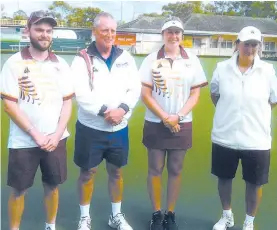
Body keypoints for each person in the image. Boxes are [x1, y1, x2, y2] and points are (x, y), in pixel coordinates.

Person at [0, 11, 74, 230]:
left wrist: (57, 133)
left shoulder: (61, 64)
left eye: (49, 31)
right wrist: (36, 134)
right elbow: (9, 105)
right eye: (39, 29)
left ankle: (50, 226)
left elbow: (67, 102)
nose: (44, 35)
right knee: (19, 190)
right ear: (28, 31)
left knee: (52, 186)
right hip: (24, 142)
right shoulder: (13, 63)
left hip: (55, 140)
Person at [71, 12, 141, 230]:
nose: (110, 35)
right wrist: (105, 113)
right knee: (87, 173)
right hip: (91, 128)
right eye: (105, 30)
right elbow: (81, 93)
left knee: (116, 172)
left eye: (113, 30)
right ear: (94, 32)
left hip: (119, 128)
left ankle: (116, 216)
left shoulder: (126, 57)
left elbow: (135, 88)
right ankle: (84, 218)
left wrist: (122, 110)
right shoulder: (82, 58)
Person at [139, 17, 208, 230]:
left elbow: (195, 93)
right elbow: (145, 93)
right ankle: (156, 213)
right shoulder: (151, 59)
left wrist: (178, 116)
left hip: (182, 122)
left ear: (182, 35)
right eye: (169, 32)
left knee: (176, 169)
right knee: (155, 169)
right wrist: (165, 117)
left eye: (177, 32)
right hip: (156, 121)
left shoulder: (192, 60)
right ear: (163, 35)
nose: (173, 36)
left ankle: (170, 213)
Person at [210, 26, 277, 230]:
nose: (250, 48)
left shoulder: (267, 70)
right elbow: (215, 94)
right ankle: (227, 216)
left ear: (259, 46)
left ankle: (249, 222)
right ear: (237, 44)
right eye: (246, 44)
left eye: (254, 44)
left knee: (254, 184)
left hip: (256, 139)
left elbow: (273, 100)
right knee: (224, 179)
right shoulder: (222, 68)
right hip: (225, 135)